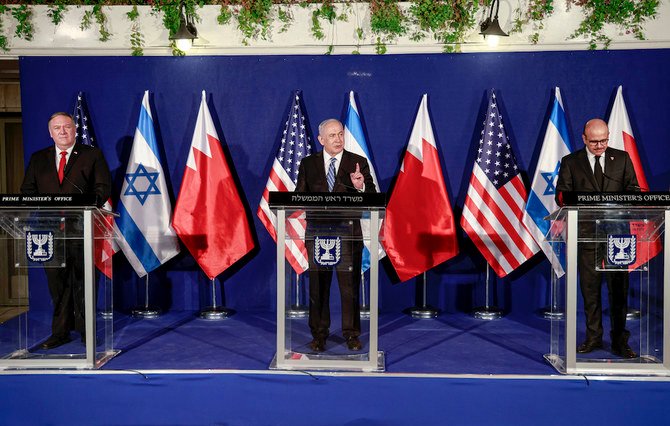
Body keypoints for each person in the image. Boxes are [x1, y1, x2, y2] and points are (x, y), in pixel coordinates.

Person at [20, 112, 111, 350]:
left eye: (67, 127)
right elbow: (27, 191)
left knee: (83, 282)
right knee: (57, 284)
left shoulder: (92, 155)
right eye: (57, 128)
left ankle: (86, 331)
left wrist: (85, 204)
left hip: (82, 227)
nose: (62, 131)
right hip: (48, 231)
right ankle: (59, 333)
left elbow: (103, 188)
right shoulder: (39, 158)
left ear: (74, 130)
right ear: (50, 133)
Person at [555, 118, 639, 358]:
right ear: (584, 139)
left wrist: (620, 202)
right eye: (594, 142)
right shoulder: (571, 162)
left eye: (604, 140)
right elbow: (561, 196)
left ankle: (620, 341)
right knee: (590, 290)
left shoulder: (621, 159)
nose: (600, 145)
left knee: (619, 290)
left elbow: (633, 190)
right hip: (587, 234)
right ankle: (593, 337)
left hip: (617, 236)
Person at [296, 118, 376, 353]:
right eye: (332, 135)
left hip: (348, 232)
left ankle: (351, 334)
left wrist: (360, 186)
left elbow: (371, 196)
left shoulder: (357, 162)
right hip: (317, 233)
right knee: (318, 287)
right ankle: (319, 335)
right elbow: (298, 196)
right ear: (321, 140)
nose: (338, 139)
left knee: (349, 286)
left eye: (340, 134)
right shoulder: (308, 164)